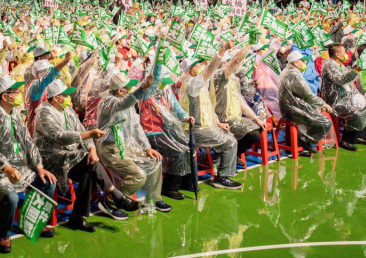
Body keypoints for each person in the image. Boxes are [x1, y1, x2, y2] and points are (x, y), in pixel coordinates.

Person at [0, 75, 57, 253]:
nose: (20, 95)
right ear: (5, 96)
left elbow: (28, 142)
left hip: (19, 169)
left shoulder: (16, 115)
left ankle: (31, 222)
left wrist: (39, 166)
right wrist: (6, 167)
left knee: (48, 182)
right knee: (11, 197)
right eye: (16, 92)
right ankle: (1, 233)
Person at [34, 79, 130, 228]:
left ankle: (77, 217)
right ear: (55, 98)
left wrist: (91, 148)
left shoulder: (67, 110)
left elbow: (82, 131)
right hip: (50, 157)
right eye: (64, 95)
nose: (67, 98)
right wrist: (89, 136)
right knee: (87, 162)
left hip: (70, 155)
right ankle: (114, 194)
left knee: (88, 169)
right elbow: (59, 137)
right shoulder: (44, 113)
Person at [96, 72, 172, 211]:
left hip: (126, 145)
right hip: (109, 148)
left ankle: (154, 198)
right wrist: (142, 88)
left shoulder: (128, 105)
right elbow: (123, 103)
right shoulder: (108, 102)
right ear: (120, 90)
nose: (130, 91)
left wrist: (147, 147)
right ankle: (111, 203)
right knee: (138, 176)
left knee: (155, 161)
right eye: (128, 88)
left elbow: (136, 128)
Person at [178, 41, 243, 190]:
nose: (200, 67)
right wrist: (222, 50)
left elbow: (207, 107)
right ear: (189, 71)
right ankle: (221, 177)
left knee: (229, 136)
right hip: (197, 129)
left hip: (207, 125)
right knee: (230, 143)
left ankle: (217, 164)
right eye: (196, 66)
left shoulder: (198, 84)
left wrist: (218, 123)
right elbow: (210, 69)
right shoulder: (192, 85)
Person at [320, 44, 366, 151]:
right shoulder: (329, 65)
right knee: (355, 113)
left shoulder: (341, 66)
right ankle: (346, 141)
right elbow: (340, 80)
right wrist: (356, 70)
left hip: (346, 97)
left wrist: (359, 96)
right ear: (337, 54)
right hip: (335, 100)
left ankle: (361, 136)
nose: (347, 55)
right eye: (344, 52)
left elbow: (349, 84)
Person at [278, 50, 334, 156]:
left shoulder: (287, 72)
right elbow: (308, 95)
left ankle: (305, 138)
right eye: (302, 61)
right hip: (293, 109)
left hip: (290, 107)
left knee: (316, 117)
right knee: (326, 122)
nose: (305, 63)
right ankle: (305, 139)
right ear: (295, 63)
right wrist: (323, 104)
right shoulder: (293, 75)